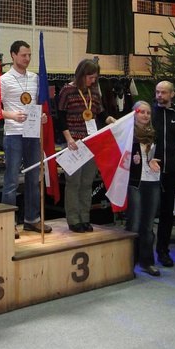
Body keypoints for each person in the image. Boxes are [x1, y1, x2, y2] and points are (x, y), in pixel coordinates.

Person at [0, 40, 51, 238]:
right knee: (11, 180)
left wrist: (42, 117)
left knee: (34, 178)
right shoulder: (4, 80)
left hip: (32, 133)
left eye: (29, 55)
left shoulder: (36, 78)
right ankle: (8, 223)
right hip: (13, 134)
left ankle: (32, 219)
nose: (27, 58)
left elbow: (39, 105)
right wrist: (11, 115)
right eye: (23, 55)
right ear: (13, 55)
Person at [58, 59, 114, 233]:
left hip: (91, 142)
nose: (93, 81)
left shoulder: (94, 92)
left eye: (95, 78)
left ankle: (85, 218)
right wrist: (68, 138)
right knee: (73, 182)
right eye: (90, 77)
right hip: (73, 143)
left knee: (87, 182)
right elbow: (60, 116)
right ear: (81, 75)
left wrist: (109, 119)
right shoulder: (67, 91)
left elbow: (100, 112)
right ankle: (73, 219)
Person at [151, 80, 175, 267]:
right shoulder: (149, 114)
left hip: (172, 172)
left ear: (173, 94)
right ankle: (144, 251)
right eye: (158, 92)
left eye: (164, 92)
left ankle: (163, 251)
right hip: (150, 173)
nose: (160, 95)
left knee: (167, 214)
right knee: (148, 213)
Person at [127, 101, 162, 277]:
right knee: (134, 224)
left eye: (148, 113)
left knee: (148, 225)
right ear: (134, 114)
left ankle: (147, 262)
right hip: (136, 182)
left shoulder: (154, 134)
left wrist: (156, 160)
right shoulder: (128, 134)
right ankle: (128, 263)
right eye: (142, 112)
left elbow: (161, 155)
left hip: (153, 181)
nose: (146, 115)